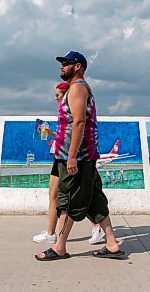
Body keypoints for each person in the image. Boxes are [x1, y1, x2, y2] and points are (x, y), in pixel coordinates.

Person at [35, 51, 124, 261]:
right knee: (95, 200)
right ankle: (111, 244)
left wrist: (72, 156)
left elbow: (79, 122)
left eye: (66, 63)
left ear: (78, 67)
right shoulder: (75, 89)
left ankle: (59, 247)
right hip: (77, 156)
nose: (61, 66)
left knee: (69, 200)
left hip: (77, 157)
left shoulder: (78, 88)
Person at [33, 82, 105, 244]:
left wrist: (72, 156)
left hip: (74, 159)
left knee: (81, 197)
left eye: (58, 94)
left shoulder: (75, 104)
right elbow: (66, 132)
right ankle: (52, 234)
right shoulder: (64, 111)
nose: (55, 97)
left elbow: (77, 129)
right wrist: (52, 134)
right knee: (55, 195)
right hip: (62, 157)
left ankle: (93, 228)